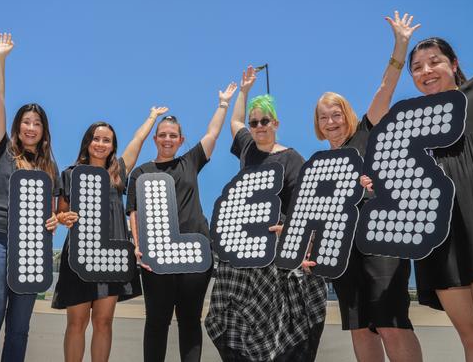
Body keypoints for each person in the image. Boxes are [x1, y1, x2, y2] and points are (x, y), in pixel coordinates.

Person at [358, 22, 473, 362]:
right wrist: (399, 49)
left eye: (434, 61)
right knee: (471, 335)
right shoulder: (413, 120)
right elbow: (376, 115)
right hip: (439, 234)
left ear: (453, 64)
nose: (426, 71)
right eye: (417, 68)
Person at [313, 12, 423, 362]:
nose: (331, 122)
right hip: (344, 251)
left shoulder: (366, 131)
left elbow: (385, 87)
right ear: (317, 124)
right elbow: (315, 213)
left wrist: (400, 45)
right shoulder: (321, 164)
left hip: (381, 240)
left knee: (391, 323)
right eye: (323, 116)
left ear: (347, 114)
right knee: (360, 327)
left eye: (336, 114)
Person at [205, 67, 326, 362]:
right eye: (255, 122)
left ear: (276, 123)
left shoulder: (292, 158)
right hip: (243, 255)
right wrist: (243, 91)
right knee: (233, 320)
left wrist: (291, 232)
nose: (258, 126)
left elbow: (305, 207)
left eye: (264, 121)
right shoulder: (247, 148)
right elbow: (234, 121)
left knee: (279, 327)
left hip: (276, 254)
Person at [126, 82, 237, 362]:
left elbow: (213, 133)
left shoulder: (190, 162)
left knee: (189, 321)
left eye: (172, 135)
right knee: (156, 322)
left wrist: (223, 103)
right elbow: (134, 215)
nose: (167, 139)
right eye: (162, 135)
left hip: (194, 257)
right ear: (155, 139)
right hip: (156, 260)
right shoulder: (141, 173)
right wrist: (138, 248)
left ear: (180, 139)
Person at [0, 33, 60, 362]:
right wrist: (0, 60)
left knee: (20, 327)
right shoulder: (2, 151)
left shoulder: (49, 167)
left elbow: (53, 212)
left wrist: (54, 219)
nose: (31, 127)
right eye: (26, 121)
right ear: (17, 125)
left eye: (37, 123)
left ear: (44, 130)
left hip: (33, 247)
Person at [52, 110, 166, 362]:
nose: (101, 144)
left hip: (111, 259)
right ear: (87, 142)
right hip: (79, 259)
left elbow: (138, 141)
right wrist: (63, 217)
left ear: (113, 146)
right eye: (96, 138)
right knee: (76, 323)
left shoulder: (118, 174)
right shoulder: (70, 174)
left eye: (107, 140)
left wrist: (151, 118)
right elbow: (60, 211)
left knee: (103, 323)